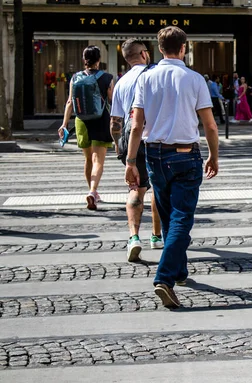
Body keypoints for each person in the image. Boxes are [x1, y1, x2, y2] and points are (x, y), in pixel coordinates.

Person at [124, 26, 219, 308]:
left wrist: (131, 161)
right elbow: (210, 125)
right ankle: (164, 277)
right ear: (184, 47)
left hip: (154, 155)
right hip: (186, 155)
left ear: (159, 48)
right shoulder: (194, 79)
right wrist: (214, 155)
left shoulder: (147, 78)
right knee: (181, 219)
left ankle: (179, 271)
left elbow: (137, 125)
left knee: (167, 217)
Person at [110, 38, 164, 262]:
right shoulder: (154, 76)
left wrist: (117, 145)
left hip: (129, 142)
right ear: (143, 54)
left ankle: (133, 238)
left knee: (136, 188)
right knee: (158, 189)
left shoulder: (121, 83)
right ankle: (156, 235)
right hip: (153, 138)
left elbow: (115, 122)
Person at [58, 45, 114, 210]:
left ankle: (92, 191)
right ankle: (93, 191)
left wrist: (64, 124)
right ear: (99, 59)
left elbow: (70, 102)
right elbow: (112, 102)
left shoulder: (75, 77)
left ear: (84, 60)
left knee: (88, 159)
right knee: (98, 160)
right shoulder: (107, 78)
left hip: (81, 121)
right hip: (101, 120)